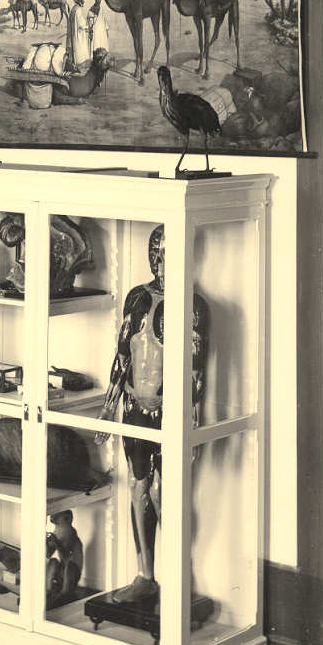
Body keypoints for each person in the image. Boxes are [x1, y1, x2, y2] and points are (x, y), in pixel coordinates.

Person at [95, 225, 208, 604]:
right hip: (134, 409)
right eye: (154, 253)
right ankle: (145, 575)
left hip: (170, 414)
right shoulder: (136, 298)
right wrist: (108, 406)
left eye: (166, 253)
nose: (159, 261)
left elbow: (197, 370)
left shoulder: (193, 306)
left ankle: (176, 579)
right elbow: (122, 355)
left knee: (164, 492)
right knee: (138, 486)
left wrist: (193, 419)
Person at [65, 0, 90, 70]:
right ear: (79, 2)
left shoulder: (73, 9)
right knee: (80, 49)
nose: (84, 2)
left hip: (74, 34)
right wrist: (87, 27)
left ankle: (76, 63)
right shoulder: (78, 10)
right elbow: (81, 24)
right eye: (82, 0)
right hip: (78, 34)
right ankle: (80, 64)